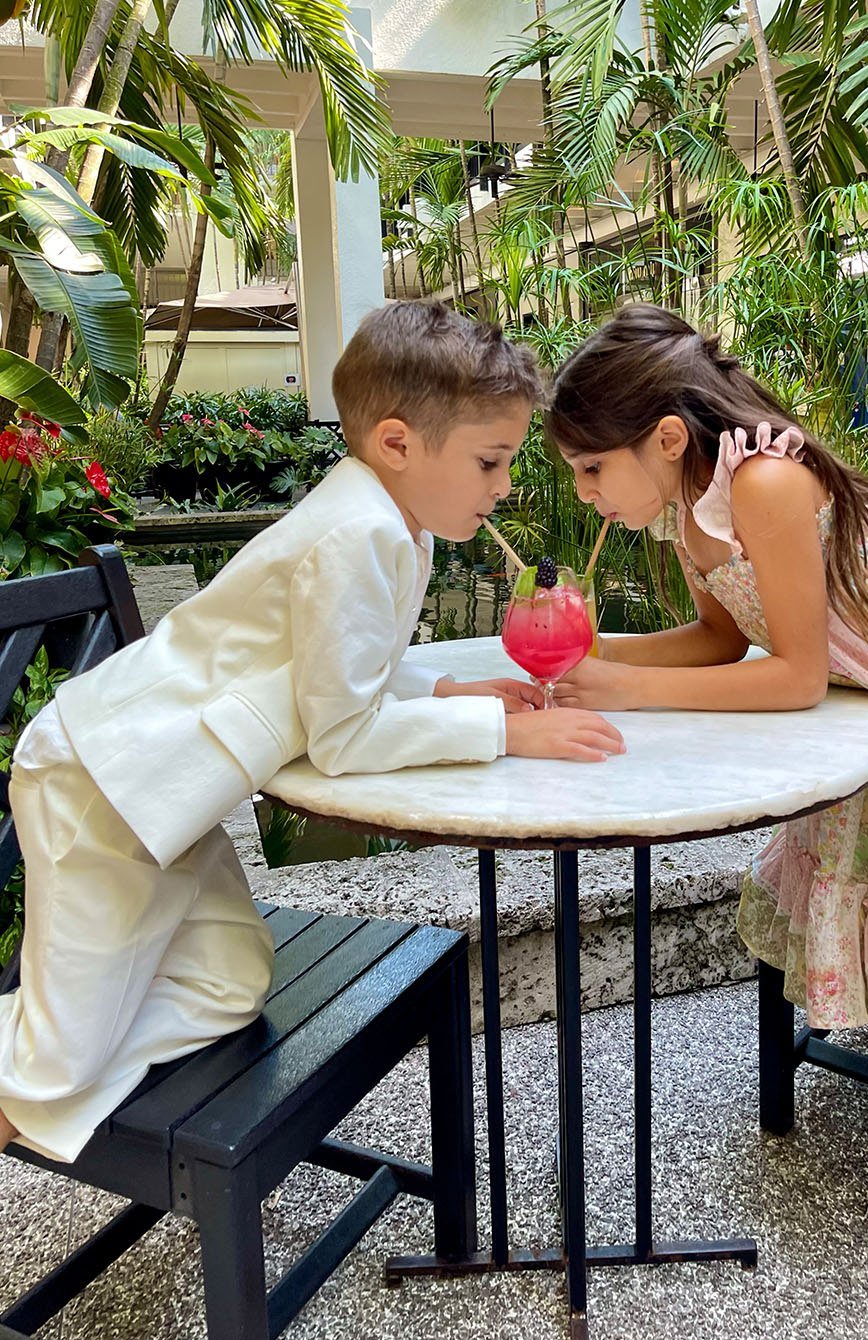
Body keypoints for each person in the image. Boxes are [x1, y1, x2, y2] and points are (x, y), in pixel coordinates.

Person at [0, 300, 624, 1166]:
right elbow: (343, 736)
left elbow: (339, 666)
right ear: (398, 444)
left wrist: (445, 684)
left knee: (229, 983)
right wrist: (503, 733)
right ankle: (41, 1072)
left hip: (167, 795)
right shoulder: (359, 531)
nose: (504, 485)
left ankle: (71, 1034)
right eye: (492, 461)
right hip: (103, 784)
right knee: (51, 1066)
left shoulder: (392, 522)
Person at [545, 303, 868, 1301]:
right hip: (856, 720)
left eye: (589, 469)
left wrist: (628, 685)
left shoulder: (769, 483)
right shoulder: (689, 507)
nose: (585, 495)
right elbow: (715, 642)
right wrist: (592, 652)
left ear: (664, 438)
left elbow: (787, 673)